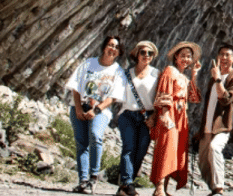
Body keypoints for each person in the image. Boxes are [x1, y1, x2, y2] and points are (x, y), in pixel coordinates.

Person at [65, 35, 126, 194]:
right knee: (81, 143)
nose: (112, 49)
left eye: (116, 47)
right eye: (110, 45)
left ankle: (93, 178)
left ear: (119, 52)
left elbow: (113, 97)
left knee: (95, 135)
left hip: (101, 110)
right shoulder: (88, 64)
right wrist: (78, 108)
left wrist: (96, 110)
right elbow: (76, 86)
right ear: (104, 46)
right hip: (79, 106)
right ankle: (83, 181)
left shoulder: (118, 72)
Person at [149, 42, 202, 196]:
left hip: (181, 117)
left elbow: (194, 98)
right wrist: (164, 114)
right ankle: (159, 188)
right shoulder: (170, 71)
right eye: (183, 56)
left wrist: (194, 75)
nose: (186, 59)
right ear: (176, 57)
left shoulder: (184, 77)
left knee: (175, 150)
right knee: (165, 148)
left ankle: (164, 188)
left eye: (189, 56)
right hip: (170, 113)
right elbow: (164, 92)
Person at [196, 44, 233, 196]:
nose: (224, 58)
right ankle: (213, 188)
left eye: (227, 55)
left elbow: (225, 100)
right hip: (209, 124)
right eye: (221, 54)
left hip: (225, 125)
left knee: (215, 148)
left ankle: (219, 188)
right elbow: (208, 105)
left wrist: (218, 79)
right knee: (203, 161)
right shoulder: (213, 80)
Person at [116, 41, 161, 196]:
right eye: (143, 52)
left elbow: (160, 99)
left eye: (150, 53)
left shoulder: (157, 74)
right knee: (128, 147)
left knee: (141, 151)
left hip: (147, 117)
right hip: (127, 114)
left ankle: (125, 186)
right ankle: (127, 183)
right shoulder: (127, 73)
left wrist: (154, 117)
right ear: (136, 54)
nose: (146, 56)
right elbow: (114, 93)